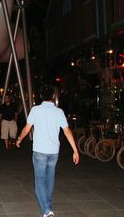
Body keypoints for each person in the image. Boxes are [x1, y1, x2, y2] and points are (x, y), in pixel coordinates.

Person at [16, 85, 79, 217]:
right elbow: (67, 131)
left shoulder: (35, 110)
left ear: (41, 96)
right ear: (53, 97)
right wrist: (75, 150)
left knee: (40, 180)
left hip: (40, 151)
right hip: (53, 152)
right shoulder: (59, 112)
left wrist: (20, 139)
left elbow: (27, 128)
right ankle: (48, 206)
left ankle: (46, 210)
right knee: (50, 179)